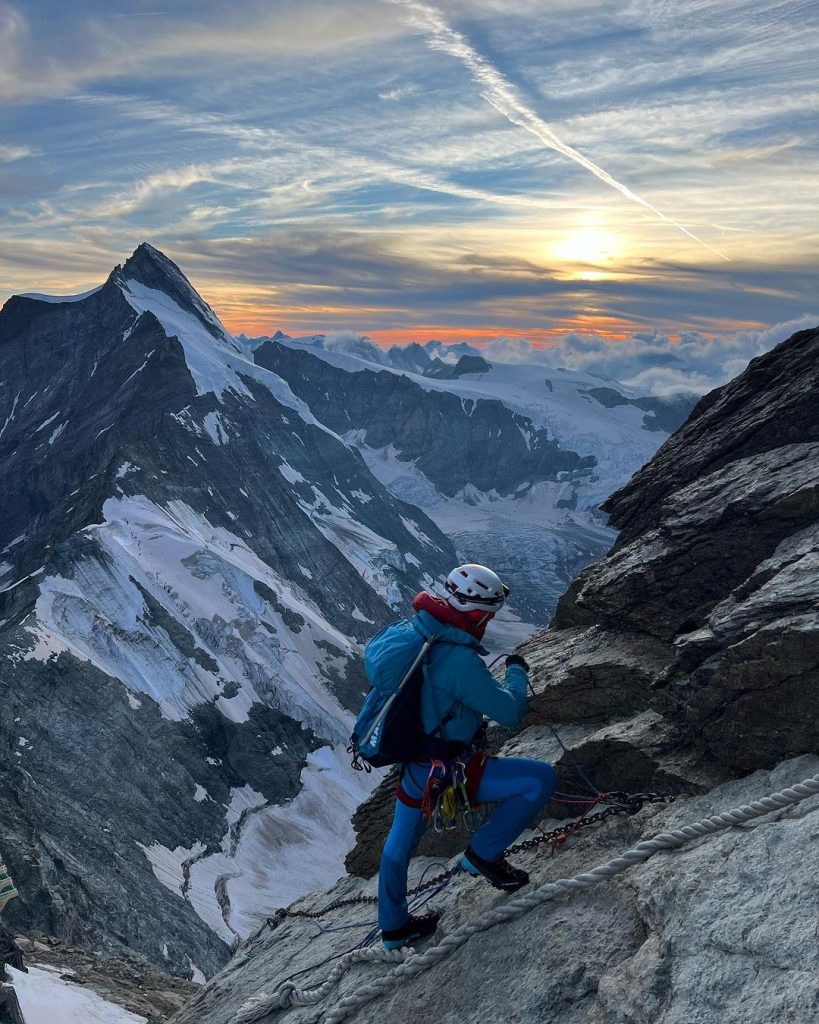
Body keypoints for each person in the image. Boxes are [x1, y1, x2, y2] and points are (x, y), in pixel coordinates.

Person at [378, 564, 557, 950]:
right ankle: (484, 854)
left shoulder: (418, 632)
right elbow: (508, 713)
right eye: (489, 614)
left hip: (414, 769)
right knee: (539, 780)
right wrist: (516, 674)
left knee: (398, 845)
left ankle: (393, 929)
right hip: (448, 770)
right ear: (477, 613)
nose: (490, 621)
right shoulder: (457, 659)